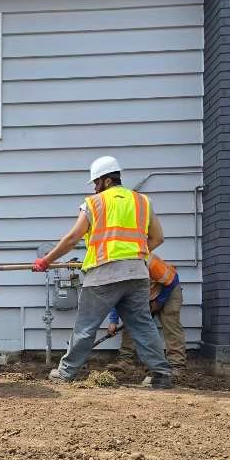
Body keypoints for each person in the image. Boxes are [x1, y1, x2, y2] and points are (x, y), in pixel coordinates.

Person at [34, 155, 173, 389]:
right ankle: (162, 374)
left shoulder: (94, 203)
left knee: (85, 326)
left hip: (103, 275)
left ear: (107, 180)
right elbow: (158, 238)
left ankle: (66, 373)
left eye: (96, 182)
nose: (94, 188)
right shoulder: (142, 202)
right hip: (137, 273)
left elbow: (72, 238)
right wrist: (132, 253)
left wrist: (46, 261)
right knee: (143, 325)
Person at [107, 253, 186, 373]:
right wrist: (113, 321)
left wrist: (159, 302)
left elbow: (171, 281)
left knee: (171, 326)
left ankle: (177, 365)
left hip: (169, 291)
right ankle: (126, 361)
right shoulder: (117, 272)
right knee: (130, 321)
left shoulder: (150, 262)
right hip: (145, 293)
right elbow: (118, 297)